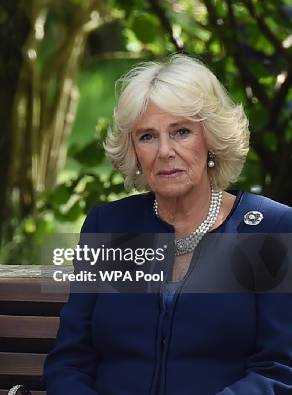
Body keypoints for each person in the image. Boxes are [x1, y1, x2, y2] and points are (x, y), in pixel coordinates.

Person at [43, 54, 292, 394]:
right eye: (147, 136)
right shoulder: (111, 225)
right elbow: (70, 360)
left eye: (181, 132)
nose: (164, 151)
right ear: (134, 150)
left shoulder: (269, 228)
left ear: (211, 141)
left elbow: (278, 370)